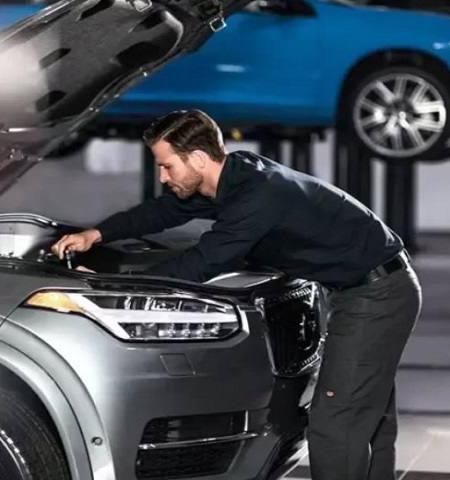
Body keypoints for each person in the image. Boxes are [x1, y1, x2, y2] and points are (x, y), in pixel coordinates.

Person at [51, 109, 422, 480]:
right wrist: (96, 234)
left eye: (167, 166)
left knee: (335, 423)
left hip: (376, 296)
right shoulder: (235, 176)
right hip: (369, 287)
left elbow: (202, 262)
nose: (163, 177)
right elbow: (163, 212)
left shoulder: (258, 195)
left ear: (198, 158)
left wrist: (113, 285)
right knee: (368, 416)